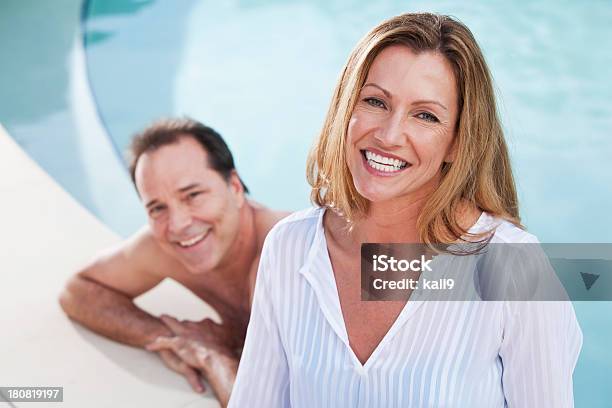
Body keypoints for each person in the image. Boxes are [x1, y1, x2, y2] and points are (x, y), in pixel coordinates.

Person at [228, 13, 582, 407]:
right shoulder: (290, 247)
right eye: (376, 101)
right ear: (346, 109)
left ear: (457, 143)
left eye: (425, 115)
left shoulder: (517, 269)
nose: (389, 135)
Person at [59, 118, 288, 407]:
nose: (178, 224)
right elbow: (78, 291)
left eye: (192, 195)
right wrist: (172, 338)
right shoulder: (166, 246)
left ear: (235, 187)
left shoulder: (287, 254)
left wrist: (214, 358)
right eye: (158, 208)